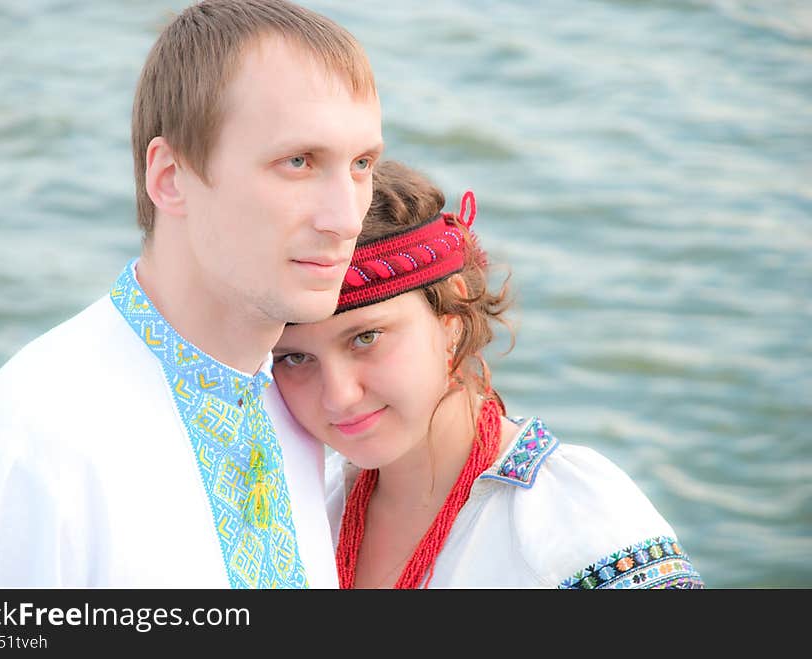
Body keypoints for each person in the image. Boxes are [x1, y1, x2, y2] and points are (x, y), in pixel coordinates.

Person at [0, 0, 382, 588]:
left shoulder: (300, 407)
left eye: (361, 164)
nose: (346, 218)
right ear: (170, 178)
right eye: (298, 161)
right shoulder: (33, 453)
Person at [272, 160, 705, 588]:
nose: (338, 396)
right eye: (294, 358)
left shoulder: (574, 525)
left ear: (450, 317)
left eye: (366, 338)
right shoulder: (305, 511)